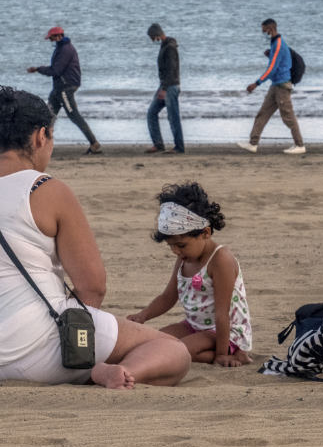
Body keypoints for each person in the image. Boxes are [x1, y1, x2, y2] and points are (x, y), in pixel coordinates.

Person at [0, 85, 190, 389]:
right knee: (173, 351)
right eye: (51, 138)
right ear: (40, 136)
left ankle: (89, 366)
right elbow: (92, 286)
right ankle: (106, 370)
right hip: (36, 349)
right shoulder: (47, 189)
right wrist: (77, 343)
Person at [127, 182, 252, 366]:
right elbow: (168, 297)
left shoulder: (220, 260)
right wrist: (143, 315)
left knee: (177, 351)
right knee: (154, 343)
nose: (175, 251)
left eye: (181, 245)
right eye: (171, 246)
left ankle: (235, 352)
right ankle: (219, 353)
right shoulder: (185, 258)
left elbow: (222, 314)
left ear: (205, 233)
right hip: (193, 326)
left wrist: (221, 354)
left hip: (223, 331)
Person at [27, 26, 102, 155]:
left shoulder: (65, 50)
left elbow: (56, 70)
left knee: (74, 116)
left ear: (59, 36)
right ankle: (41, 145)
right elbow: (55, 69)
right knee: (48, 117)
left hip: (65, 88)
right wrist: (39, 69)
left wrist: (38, 69)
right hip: (59, 88)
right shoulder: (61, 48)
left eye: (52, 38)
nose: (51, 40)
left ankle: (94, 143)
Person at [237, 18, 305, 155]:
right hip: (275, 85)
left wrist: (256, 83)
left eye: (264, 30)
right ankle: (253, 144)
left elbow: (272, 68)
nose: (263, 32)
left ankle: (299, 145)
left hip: (282, 86)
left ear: (270, 28)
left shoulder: (278, 44)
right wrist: (270, 55)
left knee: (288, 117)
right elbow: (278, 63)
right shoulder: (274, 43)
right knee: (262, 114)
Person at [144, 23, 184, 154]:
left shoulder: (170, 48)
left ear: (157, 35)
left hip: (170, 86)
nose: (152, 40)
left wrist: (164, 89)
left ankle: (179, 147)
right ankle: (158, 144)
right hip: (165, 85)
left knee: (173, 117)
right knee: (151, 113)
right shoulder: (165, 46)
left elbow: (171, 70)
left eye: (152, 37)